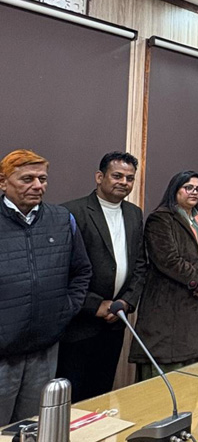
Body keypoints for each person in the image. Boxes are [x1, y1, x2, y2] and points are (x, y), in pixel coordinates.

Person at [0, 149, 91, 424]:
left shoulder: (61, 219)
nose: (38, 186)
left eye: (43, 179)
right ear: (3, 182)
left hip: (44, 349)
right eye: (27, 179)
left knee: (33, 426)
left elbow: (81, 271)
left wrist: (64, 311)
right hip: (2, 354)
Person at [58, 152, 146, 402]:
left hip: (115, 321)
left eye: (129, 178)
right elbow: (62, 272)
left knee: (101, 394)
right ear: (99, 177)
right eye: (117, 176)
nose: (124, 182)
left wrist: (126, 302)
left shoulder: (134, 213)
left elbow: (140, 264)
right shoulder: (71, 212)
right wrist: (94, 305)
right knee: (73, 398)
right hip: (80, 323)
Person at [129, 171, 198, 379]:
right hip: (169, 305)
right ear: (175, 189)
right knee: (165, 375)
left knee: (194, 372)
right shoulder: (161, 219)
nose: (194, 192)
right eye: (188, 187)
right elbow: (168, 260)